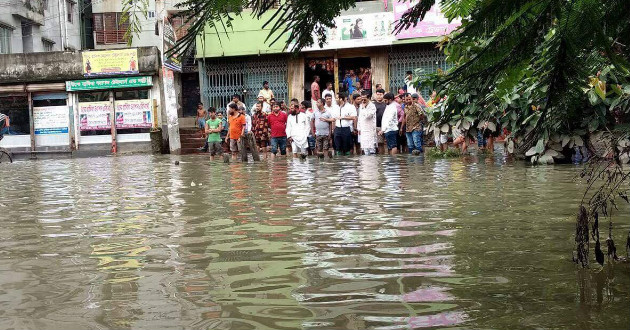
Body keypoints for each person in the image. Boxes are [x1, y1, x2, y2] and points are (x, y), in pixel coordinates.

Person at [357, 91, 377, 155]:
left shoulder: (372, 106)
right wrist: (359, 128)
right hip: (363, 130)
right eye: (362, 99)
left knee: (371, 148)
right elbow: (360, 118)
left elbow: (368, 116)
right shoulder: (361, 106)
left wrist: (364, 107)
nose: (363, 101)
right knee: (365, 148)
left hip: (370, 130)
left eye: (364, 99)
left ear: (368, 98)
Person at [372, 88, 387, 154]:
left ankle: (382, 158)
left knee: (383, 144)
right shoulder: (373, 105)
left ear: (383, 95)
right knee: (378, 143)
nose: (379, 96)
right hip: (376, 126)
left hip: (385, 126)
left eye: (380, 94)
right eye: (377, 94)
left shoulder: (386, 104)